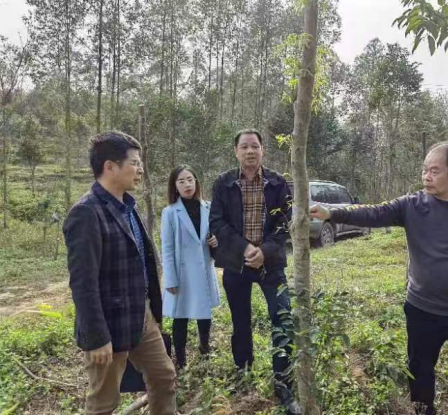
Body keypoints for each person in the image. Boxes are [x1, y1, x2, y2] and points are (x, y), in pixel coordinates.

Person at [311, 142, 448, 416]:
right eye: (424, 170)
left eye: (435, 171)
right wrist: (332, 212)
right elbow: (373, 213)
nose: (426, 176)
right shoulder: (412, 205)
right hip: (422, 310)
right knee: (419, 376)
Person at [63, 131, 176, 415]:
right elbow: (83, 283)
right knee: (104, 401)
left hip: (140, 316)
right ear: (110, 166)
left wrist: (153, 313)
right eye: (135, 163)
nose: (140, 170)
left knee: (164, 377)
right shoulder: (86, 213)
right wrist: (97, 337)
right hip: (108, 323)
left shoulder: (128, 207)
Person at [209, 129, 300, 415]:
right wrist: (246, 248)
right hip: (236, 263)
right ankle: (243, 371)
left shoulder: (278, 182)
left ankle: (283, 382)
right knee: (241, 322)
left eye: (255, 146)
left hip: (270, 265)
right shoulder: (223, 183)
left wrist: (265, 252)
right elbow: (217, 222)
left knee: (282, 318)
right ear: (236, 151)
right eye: (244, 146)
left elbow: (285, 222)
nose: (250, 151)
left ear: (263, 150)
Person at [161, 166, 220, 370]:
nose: (187, 184)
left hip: (203, 268)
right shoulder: (170, 213)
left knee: (204, 312)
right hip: (182, 272)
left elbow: (216, 235)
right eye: (181, 181)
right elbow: (167, 248)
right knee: (181, 316)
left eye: (190, 179)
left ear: (196, 182)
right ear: (175, 186)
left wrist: (215, 241)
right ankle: (181, 359)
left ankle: (205, 347)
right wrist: (170, 278)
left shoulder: (208, 207)